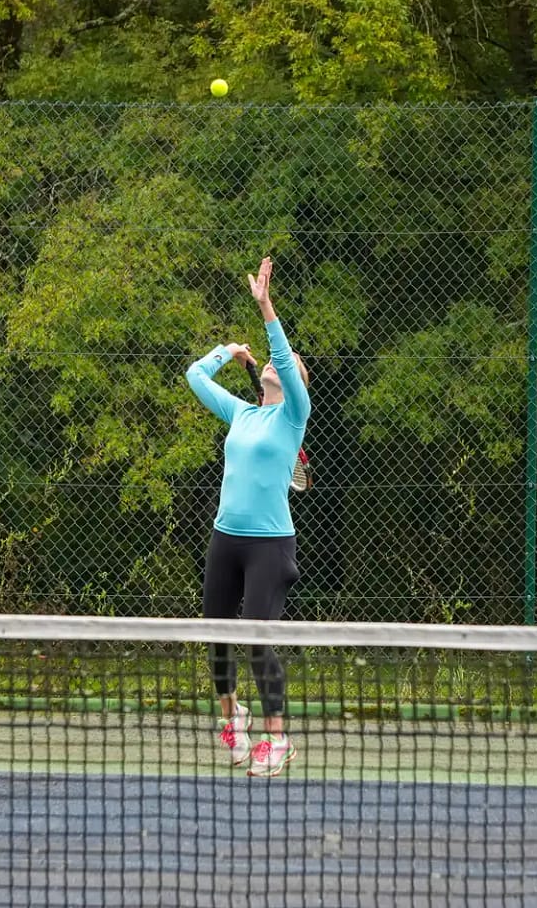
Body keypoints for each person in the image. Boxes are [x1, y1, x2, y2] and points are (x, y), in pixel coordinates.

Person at [183, 255, 312, 777]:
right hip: (225, 539)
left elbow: (281, 354)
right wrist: (228, 351)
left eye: (290, 363)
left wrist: (265, 307)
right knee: (217, 637)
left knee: (258, 642)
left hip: (269, 547)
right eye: (277, 362)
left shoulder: (293, 416)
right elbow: (195, 376)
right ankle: (233, 716)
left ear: (296, 381)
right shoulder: (241, 412)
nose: (280, 363)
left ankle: (278, 740)